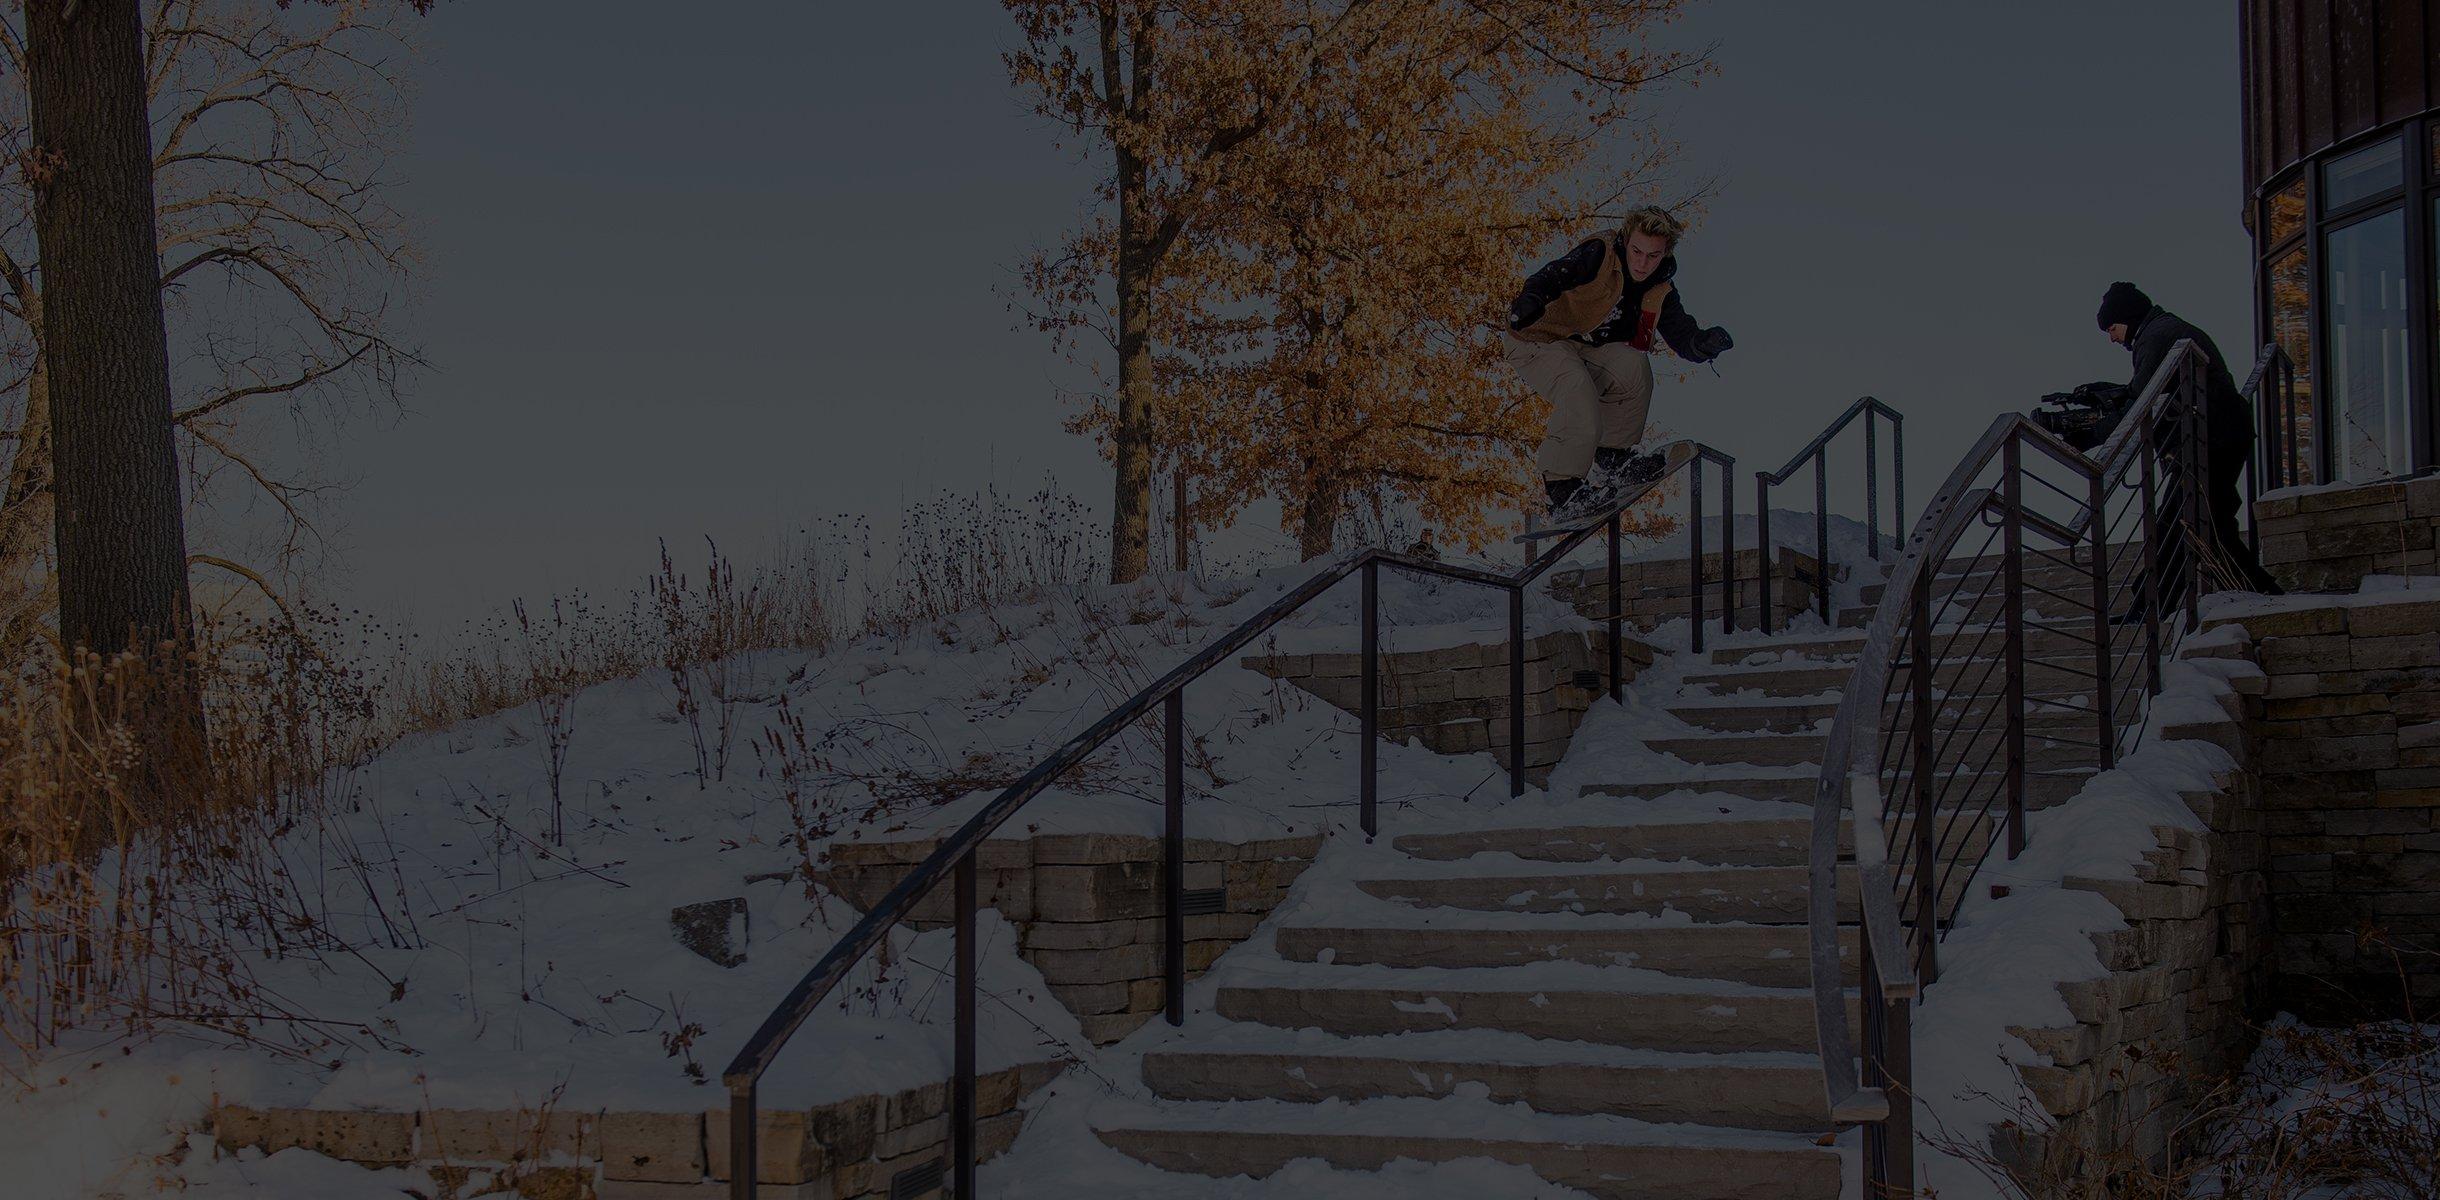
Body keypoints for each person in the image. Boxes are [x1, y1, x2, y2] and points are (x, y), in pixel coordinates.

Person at [1503, 207, 1733, 517]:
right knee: (1576, 385)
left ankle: (1612, 458)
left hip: (1582, 348)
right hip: (1536, 337)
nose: (1642, 263)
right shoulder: (1600, 253)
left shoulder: (1660, 288)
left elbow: (1682, 335)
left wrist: (1702, 344)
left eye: (1652, 256)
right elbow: (1552, 276)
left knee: (1633, 367)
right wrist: (1530, 300)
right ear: (1626, 241)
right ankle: (1562, 489)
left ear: (1665, 254)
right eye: (1636, 251)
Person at [2094, 281, 2283, 601]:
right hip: (2219, 435)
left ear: (2127, 318)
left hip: (2210, 440)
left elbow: (2142, 403)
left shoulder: (2155, 337)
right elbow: (2150, 391)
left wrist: (2094, 432)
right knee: (2208, 526)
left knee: (2179, 521)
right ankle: (2262, 596)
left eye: (2112, 328)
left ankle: (2152, 605)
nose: (2112, 338)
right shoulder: (2162, 330)